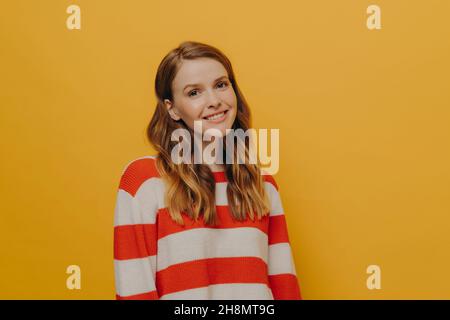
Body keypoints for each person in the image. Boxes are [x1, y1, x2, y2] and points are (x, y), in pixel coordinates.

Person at [113, 41, 302, 300]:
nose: (214, 101)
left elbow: (285, 285)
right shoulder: (145, 180)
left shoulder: (263, 183)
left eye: (221, 85)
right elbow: (135, 288)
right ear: (172, 108)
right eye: (194, 93)